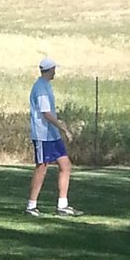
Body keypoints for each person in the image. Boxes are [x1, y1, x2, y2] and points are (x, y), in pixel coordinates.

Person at [25, 58, 82, 217]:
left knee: (65, 165)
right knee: (42, 168)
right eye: (54, 69)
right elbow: (46, 113)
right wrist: (63, 127)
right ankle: (31, 206)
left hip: (52, 134)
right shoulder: (41, 88)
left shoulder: (46, 86)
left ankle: (62, 205)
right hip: (43, 134)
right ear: (49, 70)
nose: (55, 72)